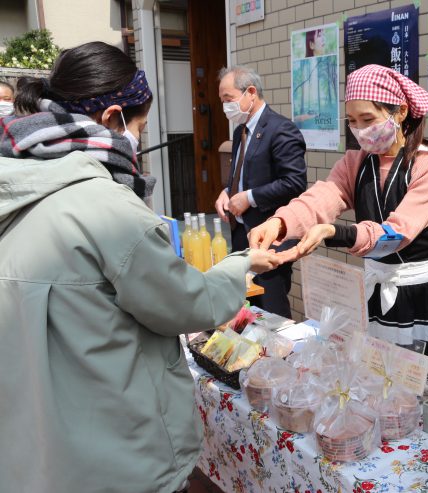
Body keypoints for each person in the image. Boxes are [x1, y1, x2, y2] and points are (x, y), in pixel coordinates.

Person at [0, 42, 280, 493]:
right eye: (141, 127)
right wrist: (241, 263)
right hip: (114, 457)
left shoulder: (17, 183)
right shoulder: (105, 207)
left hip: (31, 452)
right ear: (112, 117)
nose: (139, 141)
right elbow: (186, 302)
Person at [249, 64, 428, 377]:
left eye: (368, 119)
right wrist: (281, 223)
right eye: (353, 122)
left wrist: (337, 233)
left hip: (423, 298)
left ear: (400, 113)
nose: (360, 130)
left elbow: (397, 233)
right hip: (374, 295)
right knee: (377, 385)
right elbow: (322, 198)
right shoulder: (355, 162)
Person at [215, 65, 307, 318]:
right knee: (246, 309)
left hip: (271, 238)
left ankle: (282, 357)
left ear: (251, 92)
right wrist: (226, 192)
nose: (225, 107)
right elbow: (239, 175)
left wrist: (250, 198)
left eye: (228, 99)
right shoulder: (240, 131)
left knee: (271, 309)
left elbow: (295, 181)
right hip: (241, 234)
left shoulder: (281, 129)